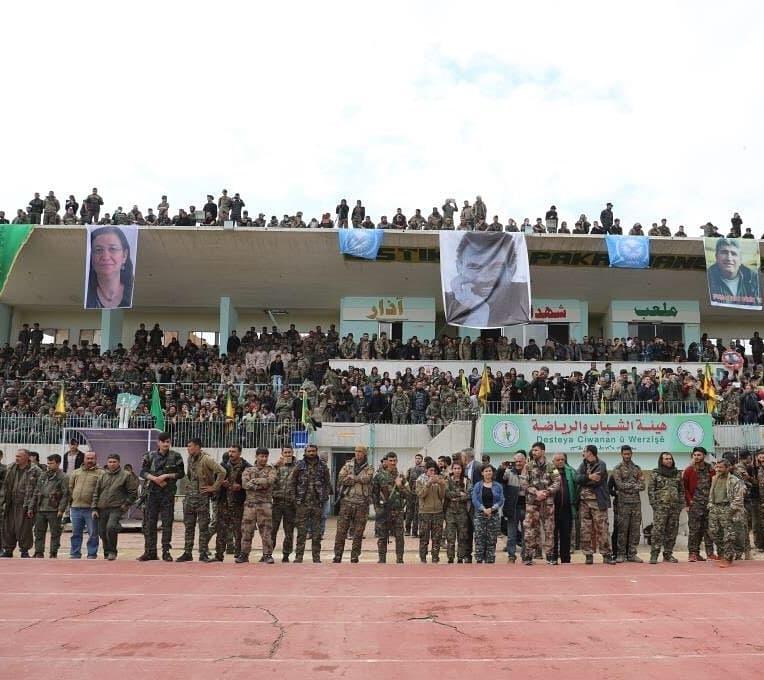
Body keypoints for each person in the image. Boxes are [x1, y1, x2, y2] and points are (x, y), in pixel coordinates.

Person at [443, 232, 530, 327]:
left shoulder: (523, 301)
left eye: (496, 267)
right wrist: (479, 309)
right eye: (474, 267)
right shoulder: (450, 303)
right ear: (459, 267)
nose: (484, 278)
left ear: (512, 269)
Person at [138, 433, 185, 562]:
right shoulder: (149, 456)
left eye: (168, 442)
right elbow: (142, 472)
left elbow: (181, 474)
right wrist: (155, 479)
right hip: (152, 494)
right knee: (150, 524)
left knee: (167, 523)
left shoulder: (176, 456)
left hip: (167, 495)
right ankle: (150, 551)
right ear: (158, 443)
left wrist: (166, 476)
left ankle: (166, 551)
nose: (165, 444)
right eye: (163, 442)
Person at [177, 438, 225, 563]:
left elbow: (222, 471)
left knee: (203, 527)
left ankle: (203, 553)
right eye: (187, 446)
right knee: (189, 527)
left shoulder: (206, 459)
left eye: (190, 446)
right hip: (190, 497)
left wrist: (214, 487)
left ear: (197, 446)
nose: (188, 448)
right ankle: (187, 552)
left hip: (202, 498)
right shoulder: (190, 458)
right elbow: (189, 475)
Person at [91, 454, 139, 560]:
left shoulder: (126, 475)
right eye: (110, 462)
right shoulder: (102, 476)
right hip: (102, 507)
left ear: (119, 462)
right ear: (107, 463)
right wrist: (94, 508)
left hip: (117, 508)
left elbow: (133, 492)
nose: (112, 464)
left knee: (111, 527)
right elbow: (96, 492)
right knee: (102, 531)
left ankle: (112, 551)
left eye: (114, 462)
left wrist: (126, 504)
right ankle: (106, 551)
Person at [290, 444, 331, 563]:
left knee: (317, 533)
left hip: (317, 504)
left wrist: (324, 498)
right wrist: (295, 499)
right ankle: (299, 557)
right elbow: (292, 482)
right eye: (309, 451)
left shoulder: (323, 466)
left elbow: (327, 484)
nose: (311, 453)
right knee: (301, 533)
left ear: (316, 451)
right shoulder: (299, 465)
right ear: (305, 452)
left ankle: (316, 557)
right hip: (302, 504)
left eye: (313, 451)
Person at [576, 445, 616, 565]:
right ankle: (588, 554)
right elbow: (576, 478)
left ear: (590, 453)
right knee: (585, 529)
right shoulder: (583, 465)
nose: (583, 453)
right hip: (584, 502)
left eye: (584, 451)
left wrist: (584, 480)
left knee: (602, 528)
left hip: (598, 501)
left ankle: (606, 554)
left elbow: (596, 481)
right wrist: (588, 477)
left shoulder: (601, 464)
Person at [333, 445, 373, 563]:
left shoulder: (369, 467)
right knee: (341, 531)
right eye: (356, 451)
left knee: (358, 532)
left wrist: (353, 478)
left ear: (364, 454)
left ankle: (354, 556)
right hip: (347, 502)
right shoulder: (348, 465)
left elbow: (367, 479)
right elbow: (341, 478)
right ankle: (338, 555)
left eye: (360, 451)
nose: (357, 453)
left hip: (362, 503)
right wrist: (357, 479)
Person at [522, 442, 560, 565]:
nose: (534, 452)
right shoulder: (528, 466)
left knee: (549, 529)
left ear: (543, 451)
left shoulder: (551, 467)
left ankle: (550, 555)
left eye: (536, 450)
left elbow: (557, 482)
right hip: (532, 503)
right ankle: (528, 555)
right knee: (530, 529)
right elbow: (523, 483)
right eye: (533, 450)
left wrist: (547, 492)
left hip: (547, 504)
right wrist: (536, 492)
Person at [237, 447, 276, 564]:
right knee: (246, 530)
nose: (264, 459)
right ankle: (244, 554)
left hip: (265, 505)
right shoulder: (248, 470)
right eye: (261, 456)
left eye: (266, 456)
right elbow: (245, 484)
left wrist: (254, 481)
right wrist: (261, 483)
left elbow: (270, 481)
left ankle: (267, 555)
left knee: (266, 531)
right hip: (250, 505)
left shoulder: (271, 470)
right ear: (256, 456)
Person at [1, 449, 42, 558]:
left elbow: (38, 488)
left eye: (19, 456)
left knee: (24, 528)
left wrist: (32, 505)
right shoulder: (11, 468)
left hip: (25, 505)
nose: (16, 458)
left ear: (26, 457)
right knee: (8, 527)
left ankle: (24, 550)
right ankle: (8, 550)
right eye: (16, 456)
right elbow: (5, 485)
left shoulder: (35, 470)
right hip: (10, 503)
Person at [85, 226, 135, 309]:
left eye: (113, 249)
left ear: (124, 255)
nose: (105, 257)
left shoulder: (136, 292)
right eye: (98, 250)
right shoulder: (83, 293)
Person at [372, 452, 409, 563]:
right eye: (390, 461)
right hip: (384, 510)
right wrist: (377, 509)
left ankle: (400, 560)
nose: (392, 463)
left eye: (394, 461)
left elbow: (408, 494)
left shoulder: (401, 477)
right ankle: (382, 560)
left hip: (397, 511)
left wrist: (400, 486)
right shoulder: (379, 476)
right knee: (382, 537)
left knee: (399, 537)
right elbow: (374, 494)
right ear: (386, 461)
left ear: (397, 461)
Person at [215, 445, 250, 562]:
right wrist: (221, 482)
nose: (231, 454)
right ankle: (219, 554)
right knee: (221, 529)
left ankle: (239, 554)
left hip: (239, 503)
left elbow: (251, 484)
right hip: (224, 502)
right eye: (229, 451)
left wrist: (241, 487)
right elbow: (215, 479)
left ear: (239, 453)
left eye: (233, 452)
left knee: (239, 530)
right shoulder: (223, 465)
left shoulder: (247, 467)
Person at [708, 458, 745, 568]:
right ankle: (722, 554)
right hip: (715, 509)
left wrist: (730, 510)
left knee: (728, 535)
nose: (718, 469)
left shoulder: (734, 480)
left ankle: (728, 557)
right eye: (716, 467)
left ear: (727, 468)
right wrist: (710, 505)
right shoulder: (714, 478)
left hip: (728, 509)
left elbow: (738, 498)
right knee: (714, 533)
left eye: (720, 467)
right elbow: (711, 493)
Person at [611, 445, 645, 563]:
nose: (627, 456)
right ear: (621, 454)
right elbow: (619, 485)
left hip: (636, 504)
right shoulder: (617, 468)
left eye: (628, 454)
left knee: (635, 530)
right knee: (622, 530)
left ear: (631, 454)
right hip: (623, 504)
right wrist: (633, 485)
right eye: (625, 454)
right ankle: (621, 554)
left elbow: (643, 486)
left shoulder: (637, 468)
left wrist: (628, 486)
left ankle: (632, 554)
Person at [647, 452, 683, 564]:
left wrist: (680, 505)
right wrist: (654, 505)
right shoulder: (655, 473)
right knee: (657, 531)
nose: (668, 461)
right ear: (661, 461)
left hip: (674, 508)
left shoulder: (677, 474)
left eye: (670, 459)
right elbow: (651, 490)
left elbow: (681, 490)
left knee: (672, 532)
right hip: (660, 508)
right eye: (666, 459)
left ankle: (668, 554)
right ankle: (654, 555)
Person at [682, 446, 717, 561]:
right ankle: (693, 553)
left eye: (699, 455)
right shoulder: (689, 470)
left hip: (709, 504)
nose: (696, 457)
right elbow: (684, 488)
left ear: (704, 456)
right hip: (695, 504)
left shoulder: (711, 469)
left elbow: (715, 485)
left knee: (709, 529)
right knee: (694, 530)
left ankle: (710, 553)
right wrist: (688, 502)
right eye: (695, 455)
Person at [68, 451, 104, 559]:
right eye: (88, 458)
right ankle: (75, 554)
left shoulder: (101, 473)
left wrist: (96, 507)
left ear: (96, 459)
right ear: (84, 459)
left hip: (91, 509)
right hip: (75, 508)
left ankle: (91, 554)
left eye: (92, 458)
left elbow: (102, 490)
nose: (90, 460)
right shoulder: (76, 472)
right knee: (75, 533)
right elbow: (70, 487)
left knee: (93, 533)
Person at [31, 454, 69, 558]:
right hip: (41, 507)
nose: (49, 465)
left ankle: (53, 552)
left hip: (54, 508)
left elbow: (65, 494)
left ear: (58, 463)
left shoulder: (63, 477)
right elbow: (36, 491)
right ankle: (39, 551)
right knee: (38, 532)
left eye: (51, 463)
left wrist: (61, 509)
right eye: (48, 463)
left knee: (55, 532)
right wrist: (32, 506)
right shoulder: (43, 475)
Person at [707, 238, 761, 307]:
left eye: (734, 254)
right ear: (716, 257)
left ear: (740, 260)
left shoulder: (753, 279)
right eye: (724, 252)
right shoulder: (707, 277)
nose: (729, 258)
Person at [471, 465, 504, 563]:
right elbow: (474, 499)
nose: (488, 473)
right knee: (479, 538)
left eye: (490, 471)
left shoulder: (498, 486)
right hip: (480, 515)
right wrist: (483, 509)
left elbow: (501, 500)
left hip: (493, 515)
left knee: (492, 539)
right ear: (482, 473)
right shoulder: (478, 485)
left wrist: (492, 508)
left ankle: (490, 560)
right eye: (486, 471)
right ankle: (479, 559)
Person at [416, 461, 447, 562]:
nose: (433, 473)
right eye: (431, 470)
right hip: (425, 512)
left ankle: (435, 557)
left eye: (434, 471)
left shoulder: (439, 479)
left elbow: (442, 496)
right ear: (426, 470)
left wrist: (441, 485)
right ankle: (423, 558)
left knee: (437, 538)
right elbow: (421, 494)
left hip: (438, 512)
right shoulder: (420, 480)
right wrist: (428, 484)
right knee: (424, 537)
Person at [551, 453, 578, 564]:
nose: (561, 461)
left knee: (566, 535)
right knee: (552, 535)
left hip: (567, 509)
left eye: (562, 459)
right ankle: (552, 558)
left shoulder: (570, 472)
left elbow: (577, 486)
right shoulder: (550, 472)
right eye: (558, 460)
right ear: (553, 462)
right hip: (552, 510)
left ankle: (566, 559)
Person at [271, 446, 297, 562]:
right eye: (285, 452)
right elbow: (270, 480)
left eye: (289, 452)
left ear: (292, 453)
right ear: (282, 454)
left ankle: (286, 554)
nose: (287, 455)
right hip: (277, 503)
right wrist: (276, 466)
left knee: (289, 531)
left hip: (290, 504)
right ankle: (268, 553)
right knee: (272, 530)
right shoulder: (276, 466)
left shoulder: (298, 466)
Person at [445, 460, 472, 563]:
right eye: (455, 468)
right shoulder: (448, 480)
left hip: (462, 513)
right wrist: (460, 494)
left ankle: (460, 558)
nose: (457, 470)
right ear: (452, 469)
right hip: (450, 513)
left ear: (462, 469)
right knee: (450, 537)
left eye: (459, 468)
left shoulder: (466, 481)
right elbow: (447, 494)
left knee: (462, 537)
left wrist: (458, 498)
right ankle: (450, 558)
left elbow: (469, 495)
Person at [404, 453, 424, 536]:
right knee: (409, 512)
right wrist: (407, 491)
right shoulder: (410, 470)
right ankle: (407, 530)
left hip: (419, 494)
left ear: (422, 460)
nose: (417, 460)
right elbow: (406, 481)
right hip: (411, 494)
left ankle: (415, 531)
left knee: (417, 513)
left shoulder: (424, 470)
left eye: (419, 458)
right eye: (416, 458)